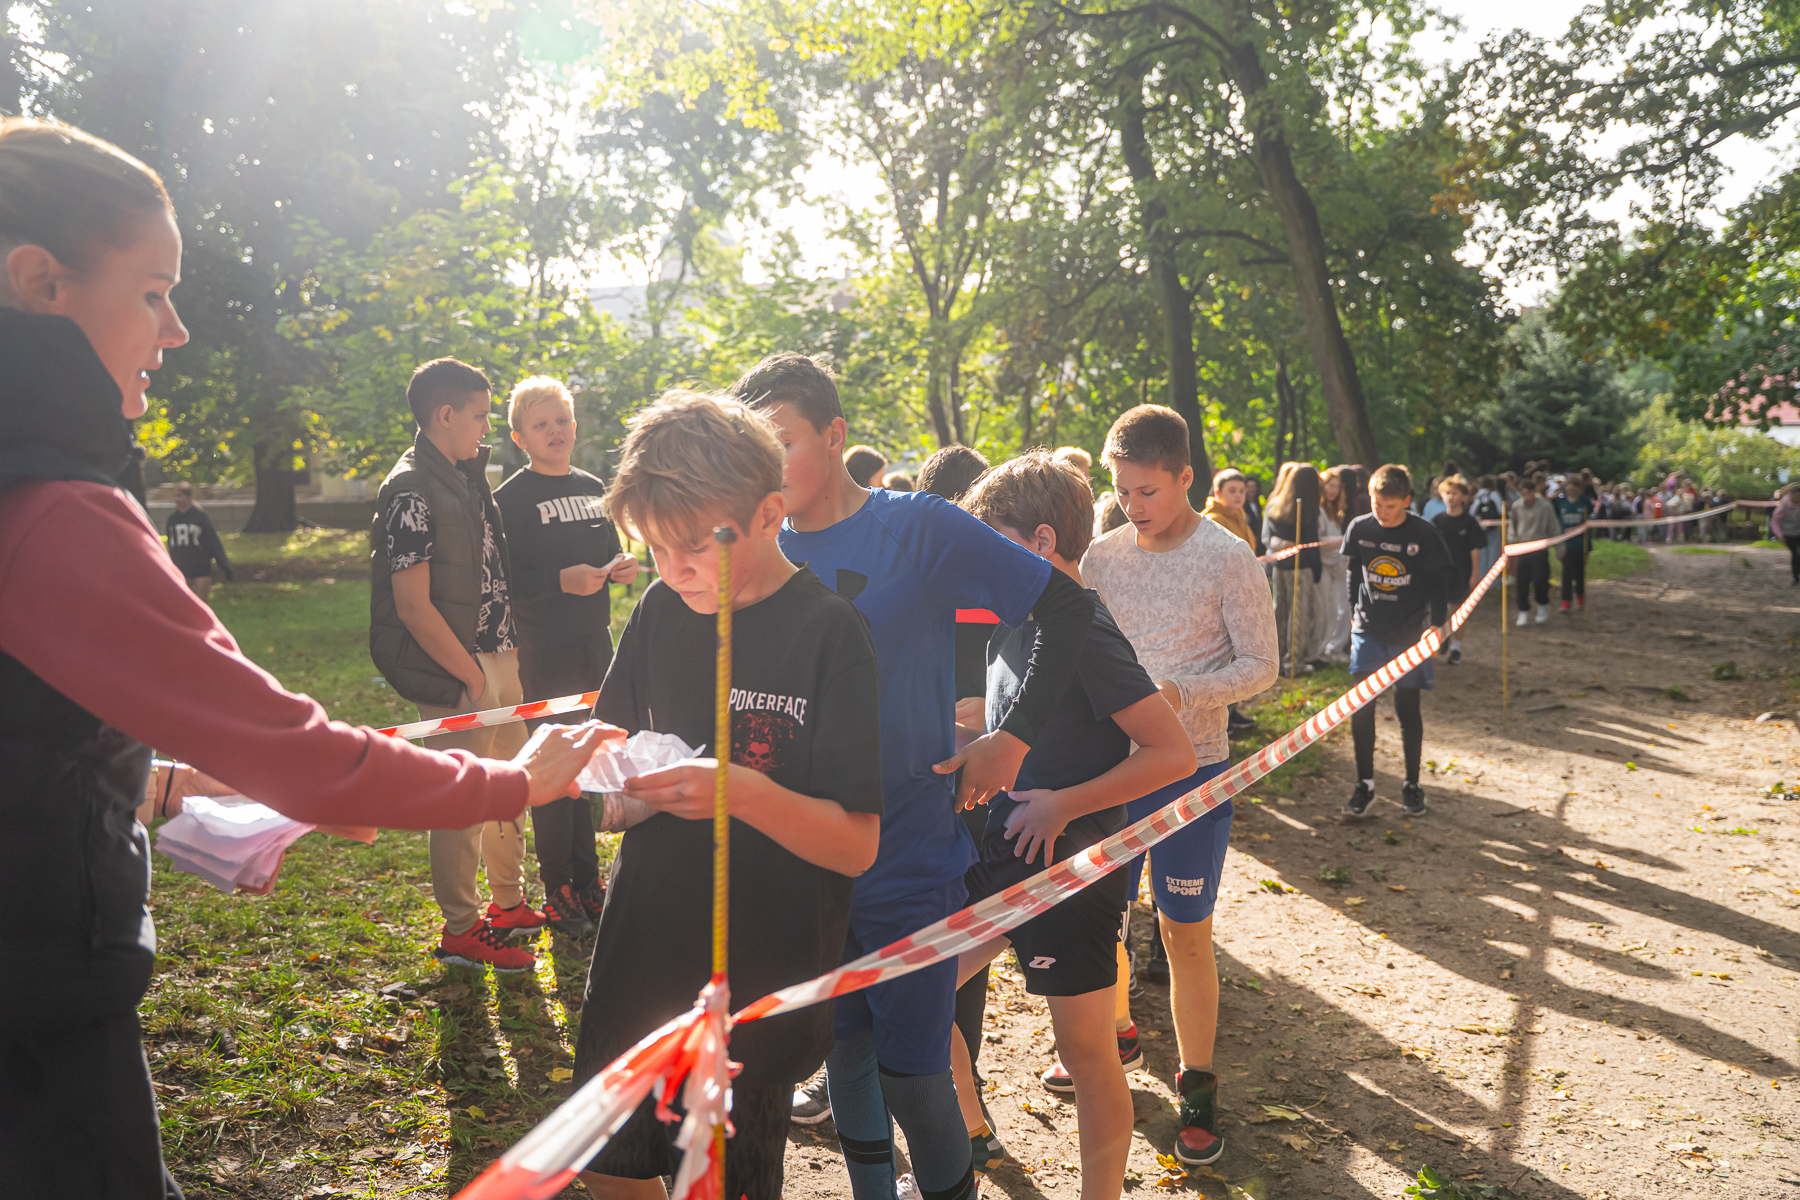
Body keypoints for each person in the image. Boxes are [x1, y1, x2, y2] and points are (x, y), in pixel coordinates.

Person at [0, 115, 609, 1200]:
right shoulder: (54, 510)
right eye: (153, 292)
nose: (177, 329)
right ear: (42, 282)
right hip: (40, 999)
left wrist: (159, 785)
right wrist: (516, 782)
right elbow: (299, 750)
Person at [733, 353, 1096, 1200]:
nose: (766, 468)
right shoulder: (753, 545)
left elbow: (1066, 608)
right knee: (843, 1054)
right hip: (801, 865)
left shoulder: (919, 526)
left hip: (907, 855)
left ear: (834, 434)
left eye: (782, 443)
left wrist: (1011, 738)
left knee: (914, 1075)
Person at [573, 391, 883, 1200]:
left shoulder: (828, 633)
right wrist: (613, 791)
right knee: (610, 1168)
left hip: (755, 982)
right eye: (653, 548)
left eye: (691, 547)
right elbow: (615, 748)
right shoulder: (659, 610)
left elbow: (857, 845)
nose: (671, 569)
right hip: (640, 962)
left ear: (769, 514)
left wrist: (739, 792)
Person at [950, 451, 1196, 1196]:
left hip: (1073, 869)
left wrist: (1063, 803)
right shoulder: (1010, 626)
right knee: (914, 998)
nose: (979, 564)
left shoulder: (1084, 628)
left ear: (1042, 541)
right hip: (1000, 856)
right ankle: (966, 1142)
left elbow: (1173, 754)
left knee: (1087, 1054)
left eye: (991, 544)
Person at [1081, 404, 1279, 1167]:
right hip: (1110, 771)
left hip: (1193, 774)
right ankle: (1113, 1034)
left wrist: (1181, 692)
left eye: (1147, 491)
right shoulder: (1101, 558)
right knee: (1106, 921)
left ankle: (1198, 1085)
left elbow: (1261, 667)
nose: (1132, 506)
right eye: (1121, 491)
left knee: (1183, 931)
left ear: (1186, 477)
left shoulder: (1229, 557)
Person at [370, 357, 545, 970]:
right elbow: (412, 605)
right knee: (461, 801)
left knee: (507, 787)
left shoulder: (465, 475)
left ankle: (507, 904)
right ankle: (461, 930)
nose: (487, 429)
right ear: (445, 415)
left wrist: (505, 654)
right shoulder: (410, 490)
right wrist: (469, 675)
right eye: (480, 416)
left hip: (499, 654)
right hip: (457, 669)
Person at [493, 375, 641, 936]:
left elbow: (608, 551)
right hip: (543, 650)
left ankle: (587, 879)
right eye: (540, 425)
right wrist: (560, 580)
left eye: (561, 421)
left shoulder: (591, 486)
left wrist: (621, 566)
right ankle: (556, 884)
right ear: (519, 438)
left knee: (588, 760)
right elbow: (505, 580)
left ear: (575, 427)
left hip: (593, 645)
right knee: (554, 765)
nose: (554, 431)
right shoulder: (510, 499)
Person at [910, 442, 998, 1113]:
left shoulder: (1005, 578)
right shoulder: (908, 573)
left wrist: (993, 715)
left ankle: (962, 1103)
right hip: (915, 780)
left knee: (959, 937)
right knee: (922, 937)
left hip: (978, 786)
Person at [1341, 464, 1454, 819]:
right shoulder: (1359, 528)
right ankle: (1365, 785)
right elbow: (1353, 572)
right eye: (1377, 504)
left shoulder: (1425, 533)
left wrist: (1435, 625)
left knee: (1407, 708)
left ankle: (1412, 784)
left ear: (1406, 501)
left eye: (1390, 506)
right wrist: (1353, 613)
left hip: (1410, 635)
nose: (1383, 512)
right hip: (1369, 631)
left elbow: (1438, 586)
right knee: (1361, 707)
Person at [1263, 461, 1324, 675]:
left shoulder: (1276, 504)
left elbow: (1271, 537)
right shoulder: (1306, 508)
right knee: (1299, 615)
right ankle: (1294, 661)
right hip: (1301, 567)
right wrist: (1317, 569)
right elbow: (1311, 543)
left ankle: (1277, 658)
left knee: (1281, 611)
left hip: (1280, 566)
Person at [1429, 475, 1484, 664]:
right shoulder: (1437, 521)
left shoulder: (1469, 522)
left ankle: (1456, 648)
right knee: (1439, 610)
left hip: (1462, 573)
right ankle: (1443, 638)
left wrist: (1475, 574)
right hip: (1440, 574)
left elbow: (1475, 550)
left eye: (1455, 493)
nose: (1451, 497)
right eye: (1447, 493)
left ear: (1464, 497)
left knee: (1459, 611)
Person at [162, 481, 232, 599]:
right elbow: (171, 545)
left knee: (202, 603)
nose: (176, 499)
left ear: (188, 497)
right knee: (183, 602)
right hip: (181, 566)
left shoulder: (200, 517)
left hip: (200, 566)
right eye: (175, 496)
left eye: (180, 496)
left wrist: (224, 566)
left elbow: (212, 541)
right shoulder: (172, 519)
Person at [1508, 472, 1560, 626]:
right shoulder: (1517, 506)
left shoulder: (1545, 506)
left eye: (1528, 493)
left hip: (1540, 549)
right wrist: (1512, 546)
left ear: (1533, 492)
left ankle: (1542, 605)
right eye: (1523, 494)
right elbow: (1513, 528)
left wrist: (1559, 548)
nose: (1526, 497)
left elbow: (1553, 527)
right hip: (1523, 549)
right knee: (1521, 582)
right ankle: (1523, 611)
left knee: (1540, 580)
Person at [1317, 466, 1353, 663]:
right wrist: (1343, 540)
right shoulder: (1318, 511)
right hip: (1324, 565)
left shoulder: (1337, 511)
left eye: (1337, 486)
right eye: (1329, 486)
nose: (1333, 490)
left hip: (1339, 565)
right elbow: (1319, 541)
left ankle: (1335, 647)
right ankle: (1322, 649)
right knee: (1328, 609)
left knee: (1343, 607)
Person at [1554, 471, 1595, 613]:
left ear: (1579, 488)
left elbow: (1589, 519)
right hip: (1566, 543)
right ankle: (1565, 602)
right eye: (1569, 487)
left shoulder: (1584, 501)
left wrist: (1579, 529)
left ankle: (1580, 597)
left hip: (1582, 543)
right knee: (1567, 572)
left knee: (1580, 572)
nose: (1571, 490)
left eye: (1574, 487)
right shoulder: (1561, 501)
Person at [1200, 467, 1254, 546]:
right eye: (1232, 491)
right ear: (1218, 493)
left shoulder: (1240, 517)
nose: (1238, 495)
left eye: (1242, 491)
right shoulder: (1212, 520)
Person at [1772, 483, 1800, 585]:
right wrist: (1779, 534)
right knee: (1795, 554)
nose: (1798, 498)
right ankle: (1795, 577)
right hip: (1788, 533)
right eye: (1797, 496)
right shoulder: (1783, 505)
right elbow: (1774, 521)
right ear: (1791, 494)